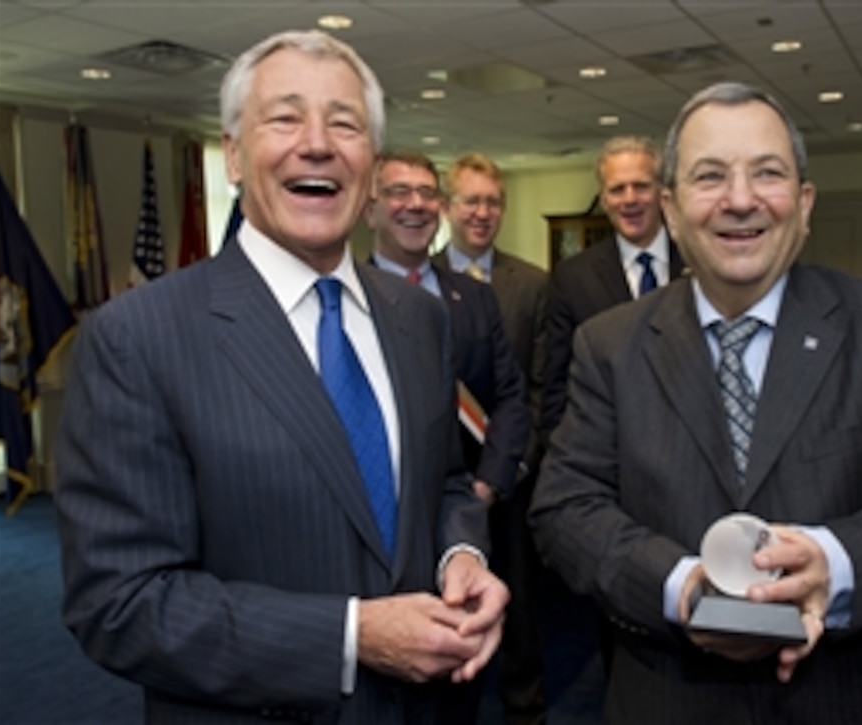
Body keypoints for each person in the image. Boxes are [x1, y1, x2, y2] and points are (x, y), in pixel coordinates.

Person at [55, 30, 508, 724]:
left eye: (345, 123)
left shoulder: (418, 317)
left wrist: (463, 552)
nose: (318, 143)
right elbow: (120, 603)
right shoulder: (136, 338)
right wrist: (353, 638)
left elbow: (444, 479)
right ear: (234, 156)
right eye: (285, 117)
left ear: (371, 165)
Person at [529, 80, 862, 723]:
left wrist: (835, 566)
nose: (741, 200)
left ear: (804, 204)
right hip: (670, 698)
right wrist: (680, 585)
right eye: (710, 175)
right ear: (671, 208)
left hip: (858, 697)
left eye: (768, 173)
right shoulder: (609, 345)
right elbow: (565, 508)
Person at [435, 152, 549, 724]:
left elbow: (540, 386)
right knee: (449, 605)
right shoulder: (411, 281)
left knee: (521, 608)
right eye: (470, 201)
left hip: (509, 480)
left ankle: (526, 710)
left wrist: (512, 470)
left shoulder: (532, 284)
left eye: (492, 202)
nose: (482, 213)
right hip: (440, 485)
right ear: (448, 206)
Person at [365, 148, 530, 508]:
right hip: (384, 508)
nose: (416, 204)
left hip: (474, 507)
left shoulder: (476, 297)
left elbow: (510, 397)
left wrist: (488, 485)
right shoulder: (345, 300)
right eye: (399, 192)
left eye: (427, 193)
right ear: (368, 211)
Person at [541, 134, 686, 444]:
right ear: (604, 200)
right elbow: (557, 384)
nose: (629, 199)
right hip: (610, 452)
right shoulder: (573, 277)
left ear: (662, 192)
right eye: (617, 189)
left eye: (641, 186)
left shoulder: (699, 263)